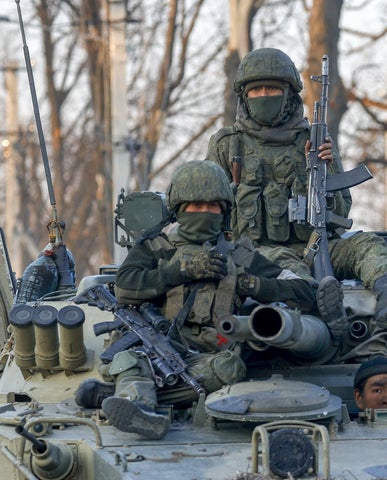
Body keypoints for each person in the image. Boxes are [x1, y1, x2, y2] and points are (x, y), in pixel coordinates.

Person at [75, 160, 344, 439]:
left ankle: (130, 394)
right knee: (130, 359)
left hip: (210, 356)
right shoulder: (157, 246)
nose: (204, 213)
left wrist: (253, 284)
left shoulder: (238, 254)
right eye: (196, 206)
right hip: (156, 347)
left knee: (230, 369)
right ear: (179, 209)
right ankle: (138, 409)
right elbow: (124, 287)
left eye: (212, 206)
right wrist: (179, 272)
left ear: (224, 211)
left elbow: (304, 289)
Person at [205, 47, 387, 332]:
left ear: (289, 95)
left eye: (273, 89)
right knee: (294, 273)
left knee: (366, 245)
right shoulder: (227, 144)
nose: (265, 96)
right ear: (245, 96)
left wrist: (320, 168)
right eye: (257, 90)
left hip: (317, 245)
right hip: (262, 254)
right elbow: (208, 209)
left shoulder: (315, 139)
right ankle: (325, 311)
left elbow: (341, 211)